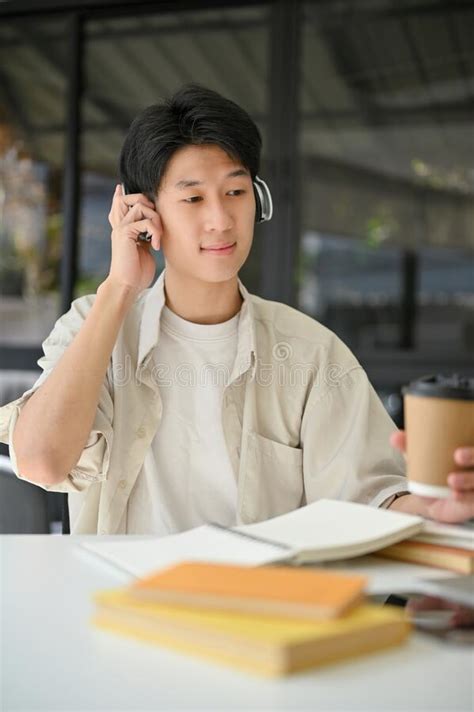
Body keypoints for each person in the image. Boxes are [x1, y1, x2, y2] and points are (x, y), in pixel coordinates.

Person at [0, 84, 472, 534]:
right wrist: (119, 286)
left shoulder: (310, 352)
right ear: (143, 212)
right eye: (193, 198)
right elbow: (42, 459)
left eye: (235, 191)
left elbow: (373, 499)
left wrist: (436, 506)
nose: (221, 220)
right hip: (121, 609)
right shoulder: (94, 325)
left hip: (260, 610)